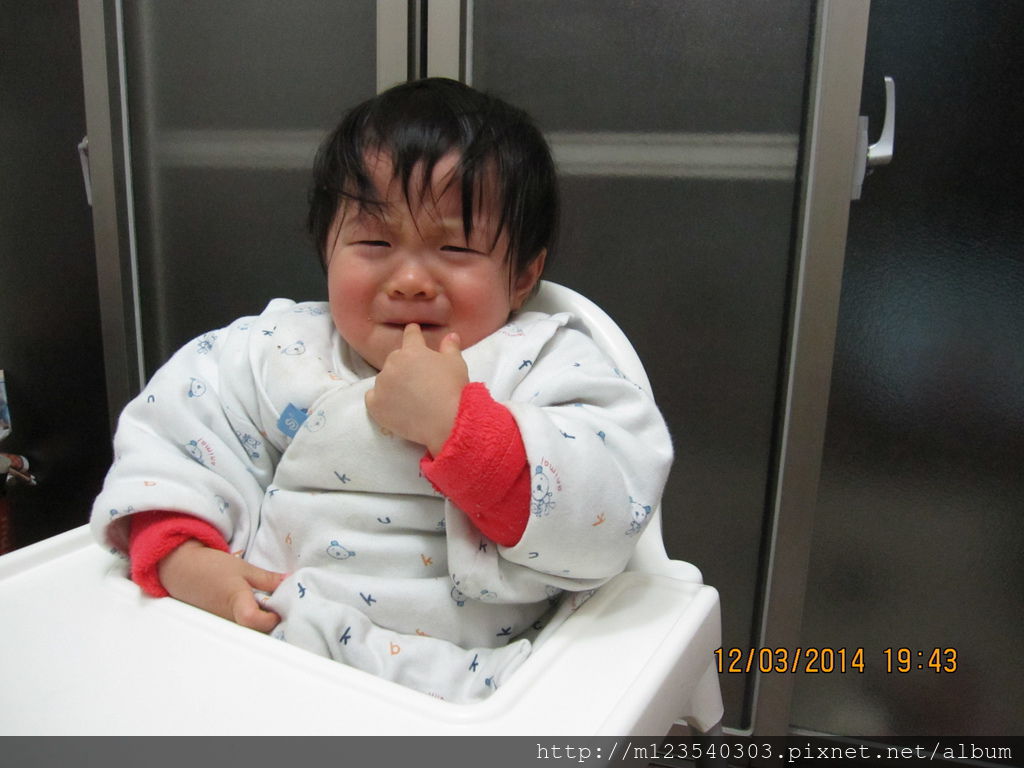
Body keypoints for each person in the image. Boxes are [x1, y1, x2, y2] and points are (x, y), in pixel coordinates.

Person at [91, 78, 673, 703]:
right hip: (265, 646)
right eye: (374, 242)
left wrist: (463, 427)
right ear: (327, 248)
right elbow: (172, 444)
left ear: (524, 274)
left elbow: (611, 505)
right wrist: (185, 559)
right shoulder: (276, 350)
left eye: (455, 246)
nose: (412, 279)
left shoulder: (544, 361)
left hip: (463, 684)